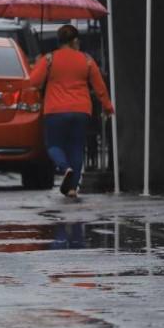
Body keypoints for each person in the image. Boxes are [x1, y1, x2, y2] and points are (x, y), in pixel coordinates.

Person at [30, 24, 115, 198]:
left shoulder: (49, 59)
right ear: (75, 41)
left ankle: (64, 167)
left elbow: (34, 82)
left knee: (53, 145)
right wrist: (108, 107)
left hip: (55, 111)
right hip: (81, 111)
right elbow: (99, 87)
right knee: (76, 148)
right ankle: (72, 188)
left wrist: (39, 63)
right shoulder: (87, 59)